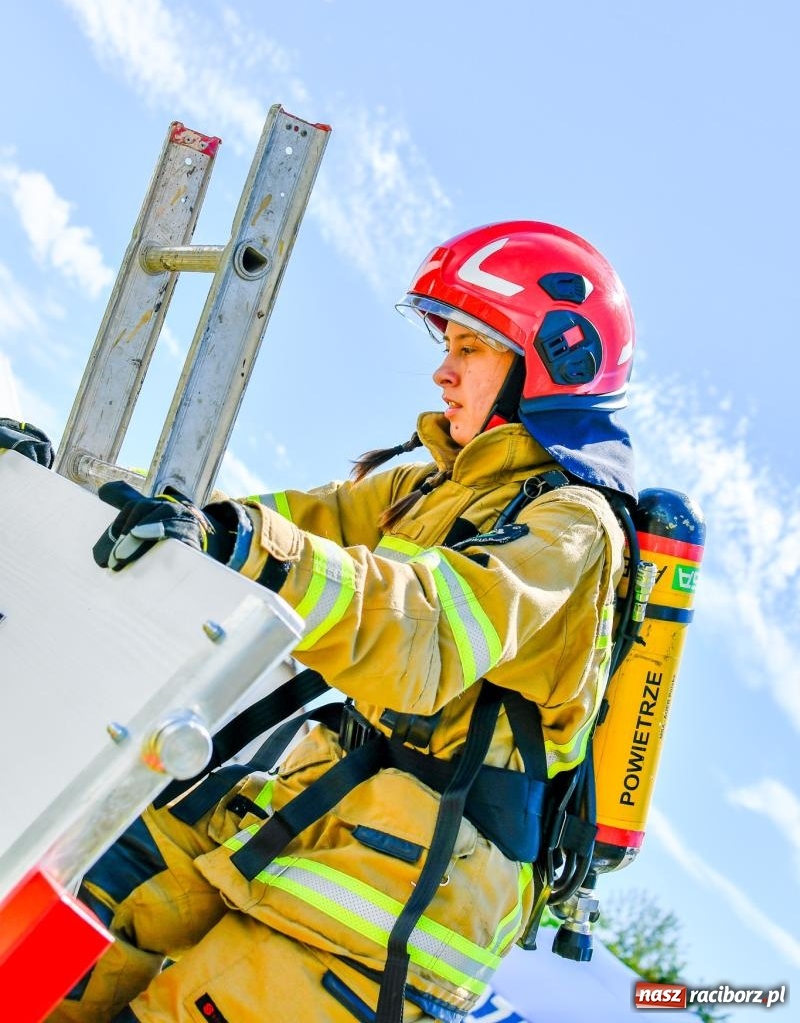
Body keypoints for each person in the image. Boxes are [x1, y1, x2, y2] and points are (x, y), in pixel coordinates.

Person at [42, 218, 637, 1023]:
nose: (443, 371)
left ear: (551, 365)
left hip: (414, 885)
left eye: (470, 348)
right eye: (448, 345)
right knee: (64, 919)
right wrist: (72, 497)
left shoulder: (574, 530)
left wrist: (257, 547)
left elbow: (425, 632)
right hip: (315, 798)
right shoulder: (429, 489)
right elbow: (251, 525)